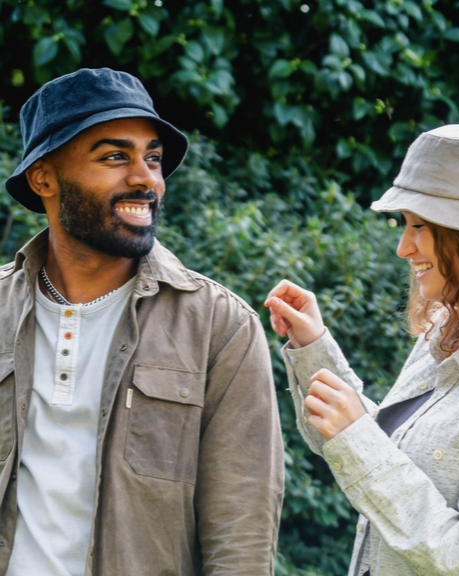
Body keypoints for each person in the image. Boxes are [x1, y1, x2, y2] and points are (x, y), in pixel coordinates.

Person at [0, 68, 284, 576]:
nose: (145, 178)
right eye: (115, 157)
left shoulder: (220, 328)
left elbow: (241, 533)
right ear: (43, 178)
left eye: (152, 158)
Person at [265, 124, 459, 576]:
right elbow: (389, 450)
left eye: (418, 226)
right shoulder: (451, 328)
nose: (402, 247)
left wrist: (357, 439)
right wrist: (313, 349)